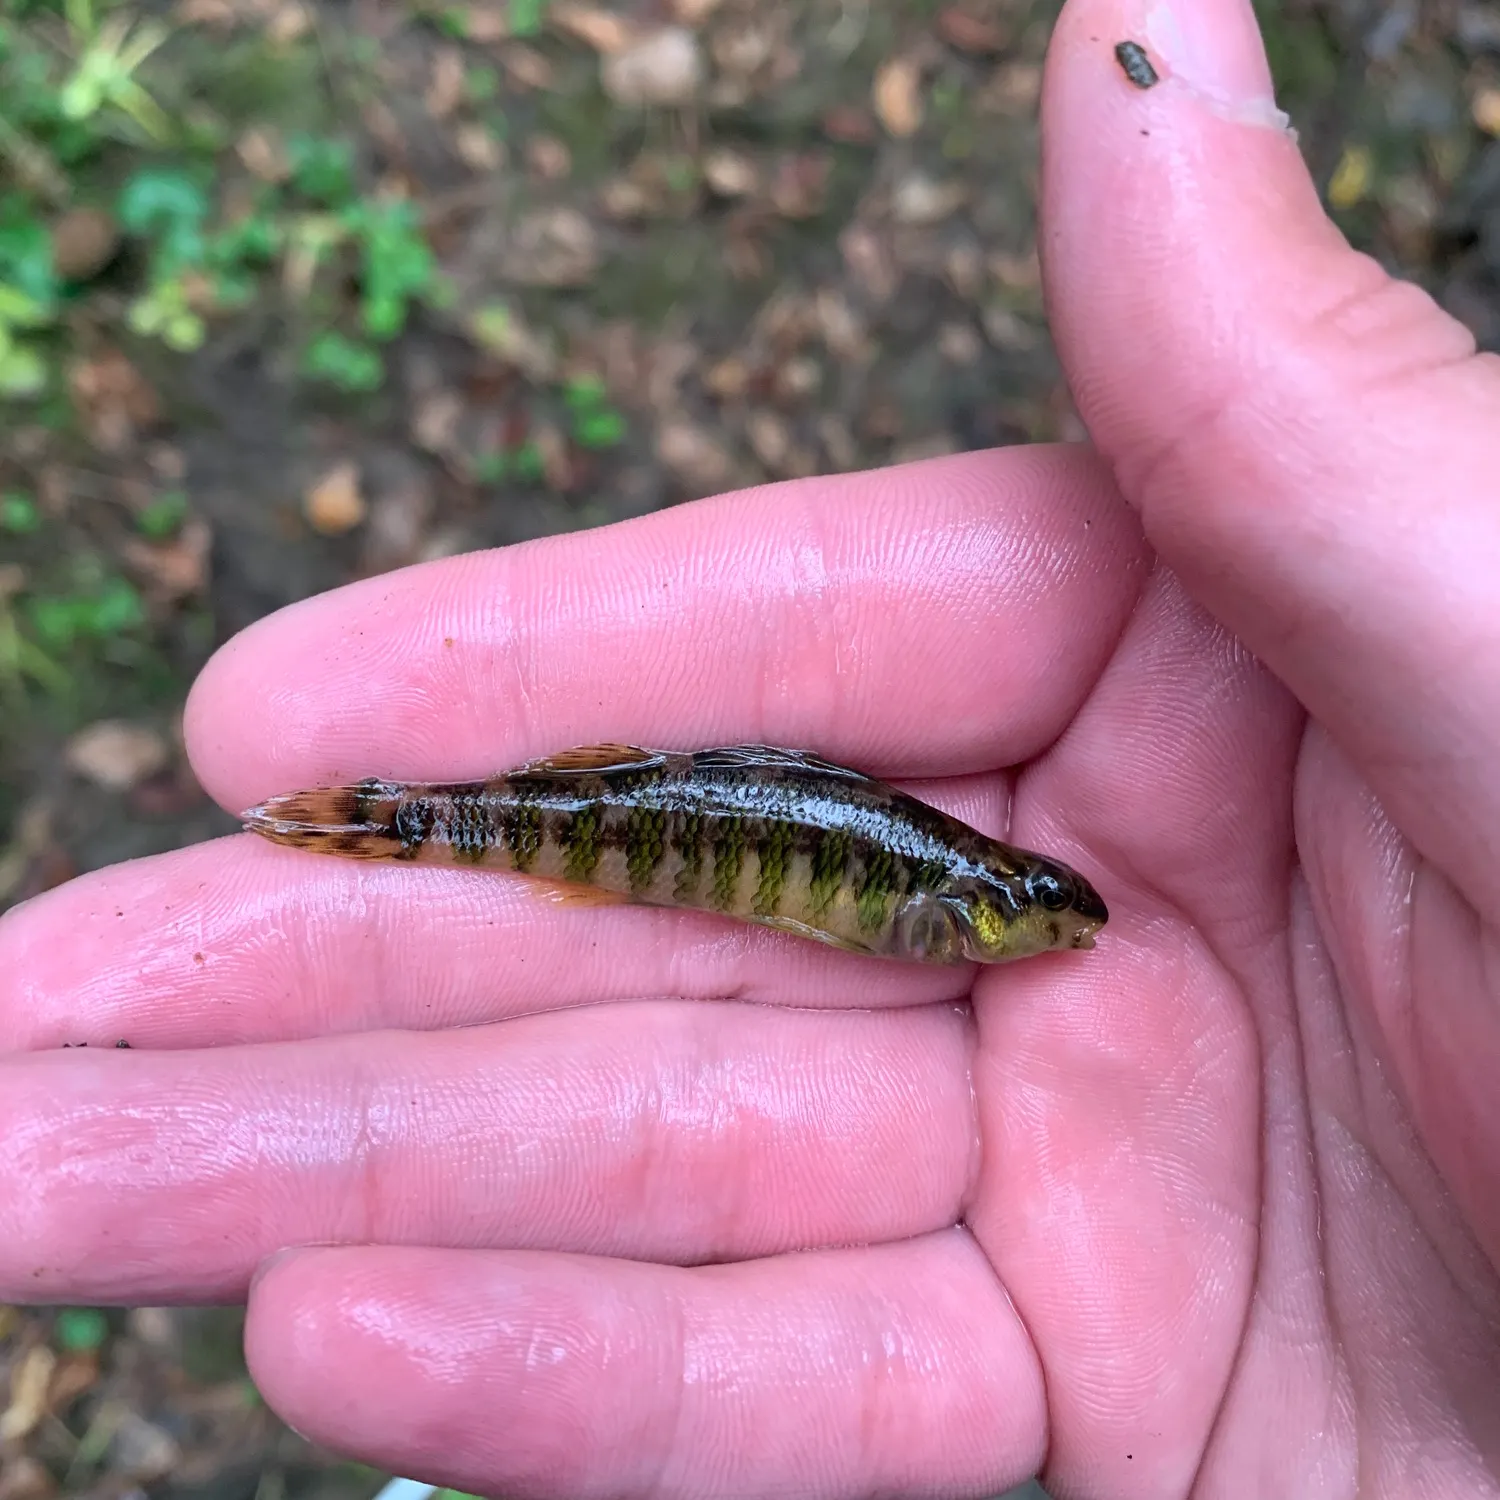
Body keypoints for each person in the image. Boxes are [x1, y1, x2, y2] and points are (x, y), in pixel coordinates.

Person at [3, 0, 1498, 1494]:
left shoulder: (967, 907)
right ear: (981, 905)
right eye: (1033, 912)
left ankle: (385, 822)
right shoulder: (946, 903)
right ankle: (383, 821)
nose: (1046, 929)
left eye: (1040, 915)